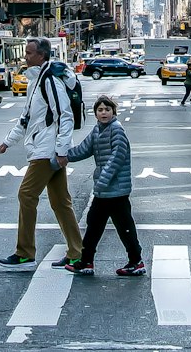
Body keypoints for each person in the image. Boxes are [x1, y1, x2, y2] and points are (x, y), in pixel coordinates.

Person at [0, 36, 84, 272]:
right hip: (46, 148)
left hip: (47, 151)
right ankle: (77, 253)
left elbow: (64, 116)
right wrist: (8, 141)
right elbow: (26, 118)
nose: (25, 57)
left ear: (41, 55)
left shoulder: (49, 81)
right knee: (60, 202)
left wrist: (62, 150)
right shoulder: (35, 81)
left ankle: (25, 253)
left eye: (29, 53)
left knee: (26, 194)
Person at [65, 95, 143, 277]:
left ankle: (135, 261)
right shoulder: (98, 130)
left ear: (113, 112)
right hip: (105, 190)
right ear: (96, 114)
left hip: (116, 190)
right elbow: (84, 149)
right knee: (94, 224)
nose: (103, 113)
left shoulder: (116, 130)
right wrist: (63, 157)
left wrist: (103, 180)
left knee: (123, 227)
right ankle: (86, 262)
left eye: (107, 109)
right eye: (100, 110)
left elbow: (117, 157)